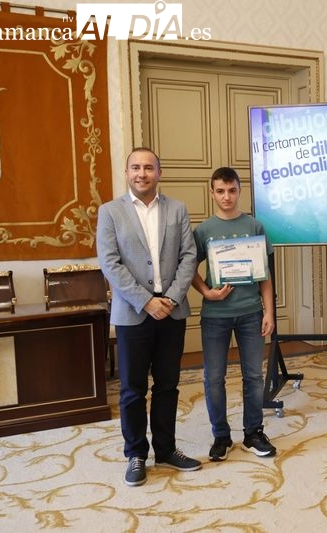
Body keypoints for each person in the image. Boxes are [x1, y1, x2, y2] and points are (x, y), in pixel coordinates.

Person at [97, 147, 200, 487]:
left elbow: (189, 256)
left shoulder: (178, 209)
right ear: (127, 172)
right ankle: (136, 454)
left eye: (149, 168)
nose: (142, 173)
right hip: (133, 312)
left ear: (160, 172)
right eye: (135, 167)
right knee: (132, 389)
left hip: (172, 310)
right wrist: (146, 301)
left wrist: (169, 298)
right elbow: (110, 264)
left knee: (168, 384)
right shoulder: (110, 212)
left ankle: (167, 450)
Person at [192, 167, 277, 461]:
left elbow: (265, 276)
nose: (226, 197)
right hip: (215, 315)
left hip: (251, 313)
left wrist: (270, 312)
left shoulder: (255, 227)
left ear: (240, 191)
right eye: (220, 191)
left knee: (253, 376)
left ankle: (253, 433)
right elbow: (188, 268)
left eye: (232, 191)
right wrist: (206, 291)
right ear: (212, 193)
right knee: (213, 378)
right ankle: (221, 437)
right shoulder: (203, 231)